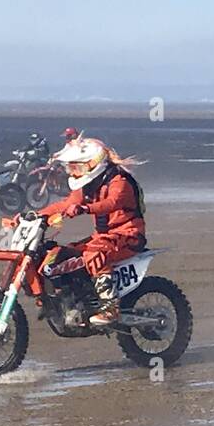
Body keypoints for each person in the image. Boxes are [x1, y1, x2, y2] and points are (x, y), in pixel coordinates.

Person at [38, 138, 146, 326]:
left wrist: (85, 209)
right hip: (104, 237)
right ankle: (71, 298)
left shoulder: (119, 181)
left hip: (129, 235)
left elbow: (111, 203)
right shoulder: (90, 184)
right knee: (62, 254)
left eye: (77, 168)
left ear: (93, 164)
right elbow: (67, 203)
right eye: (72, 168)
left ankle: (111, 308)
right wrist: (36, 215)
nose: (74, 173)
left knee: (95, 252)